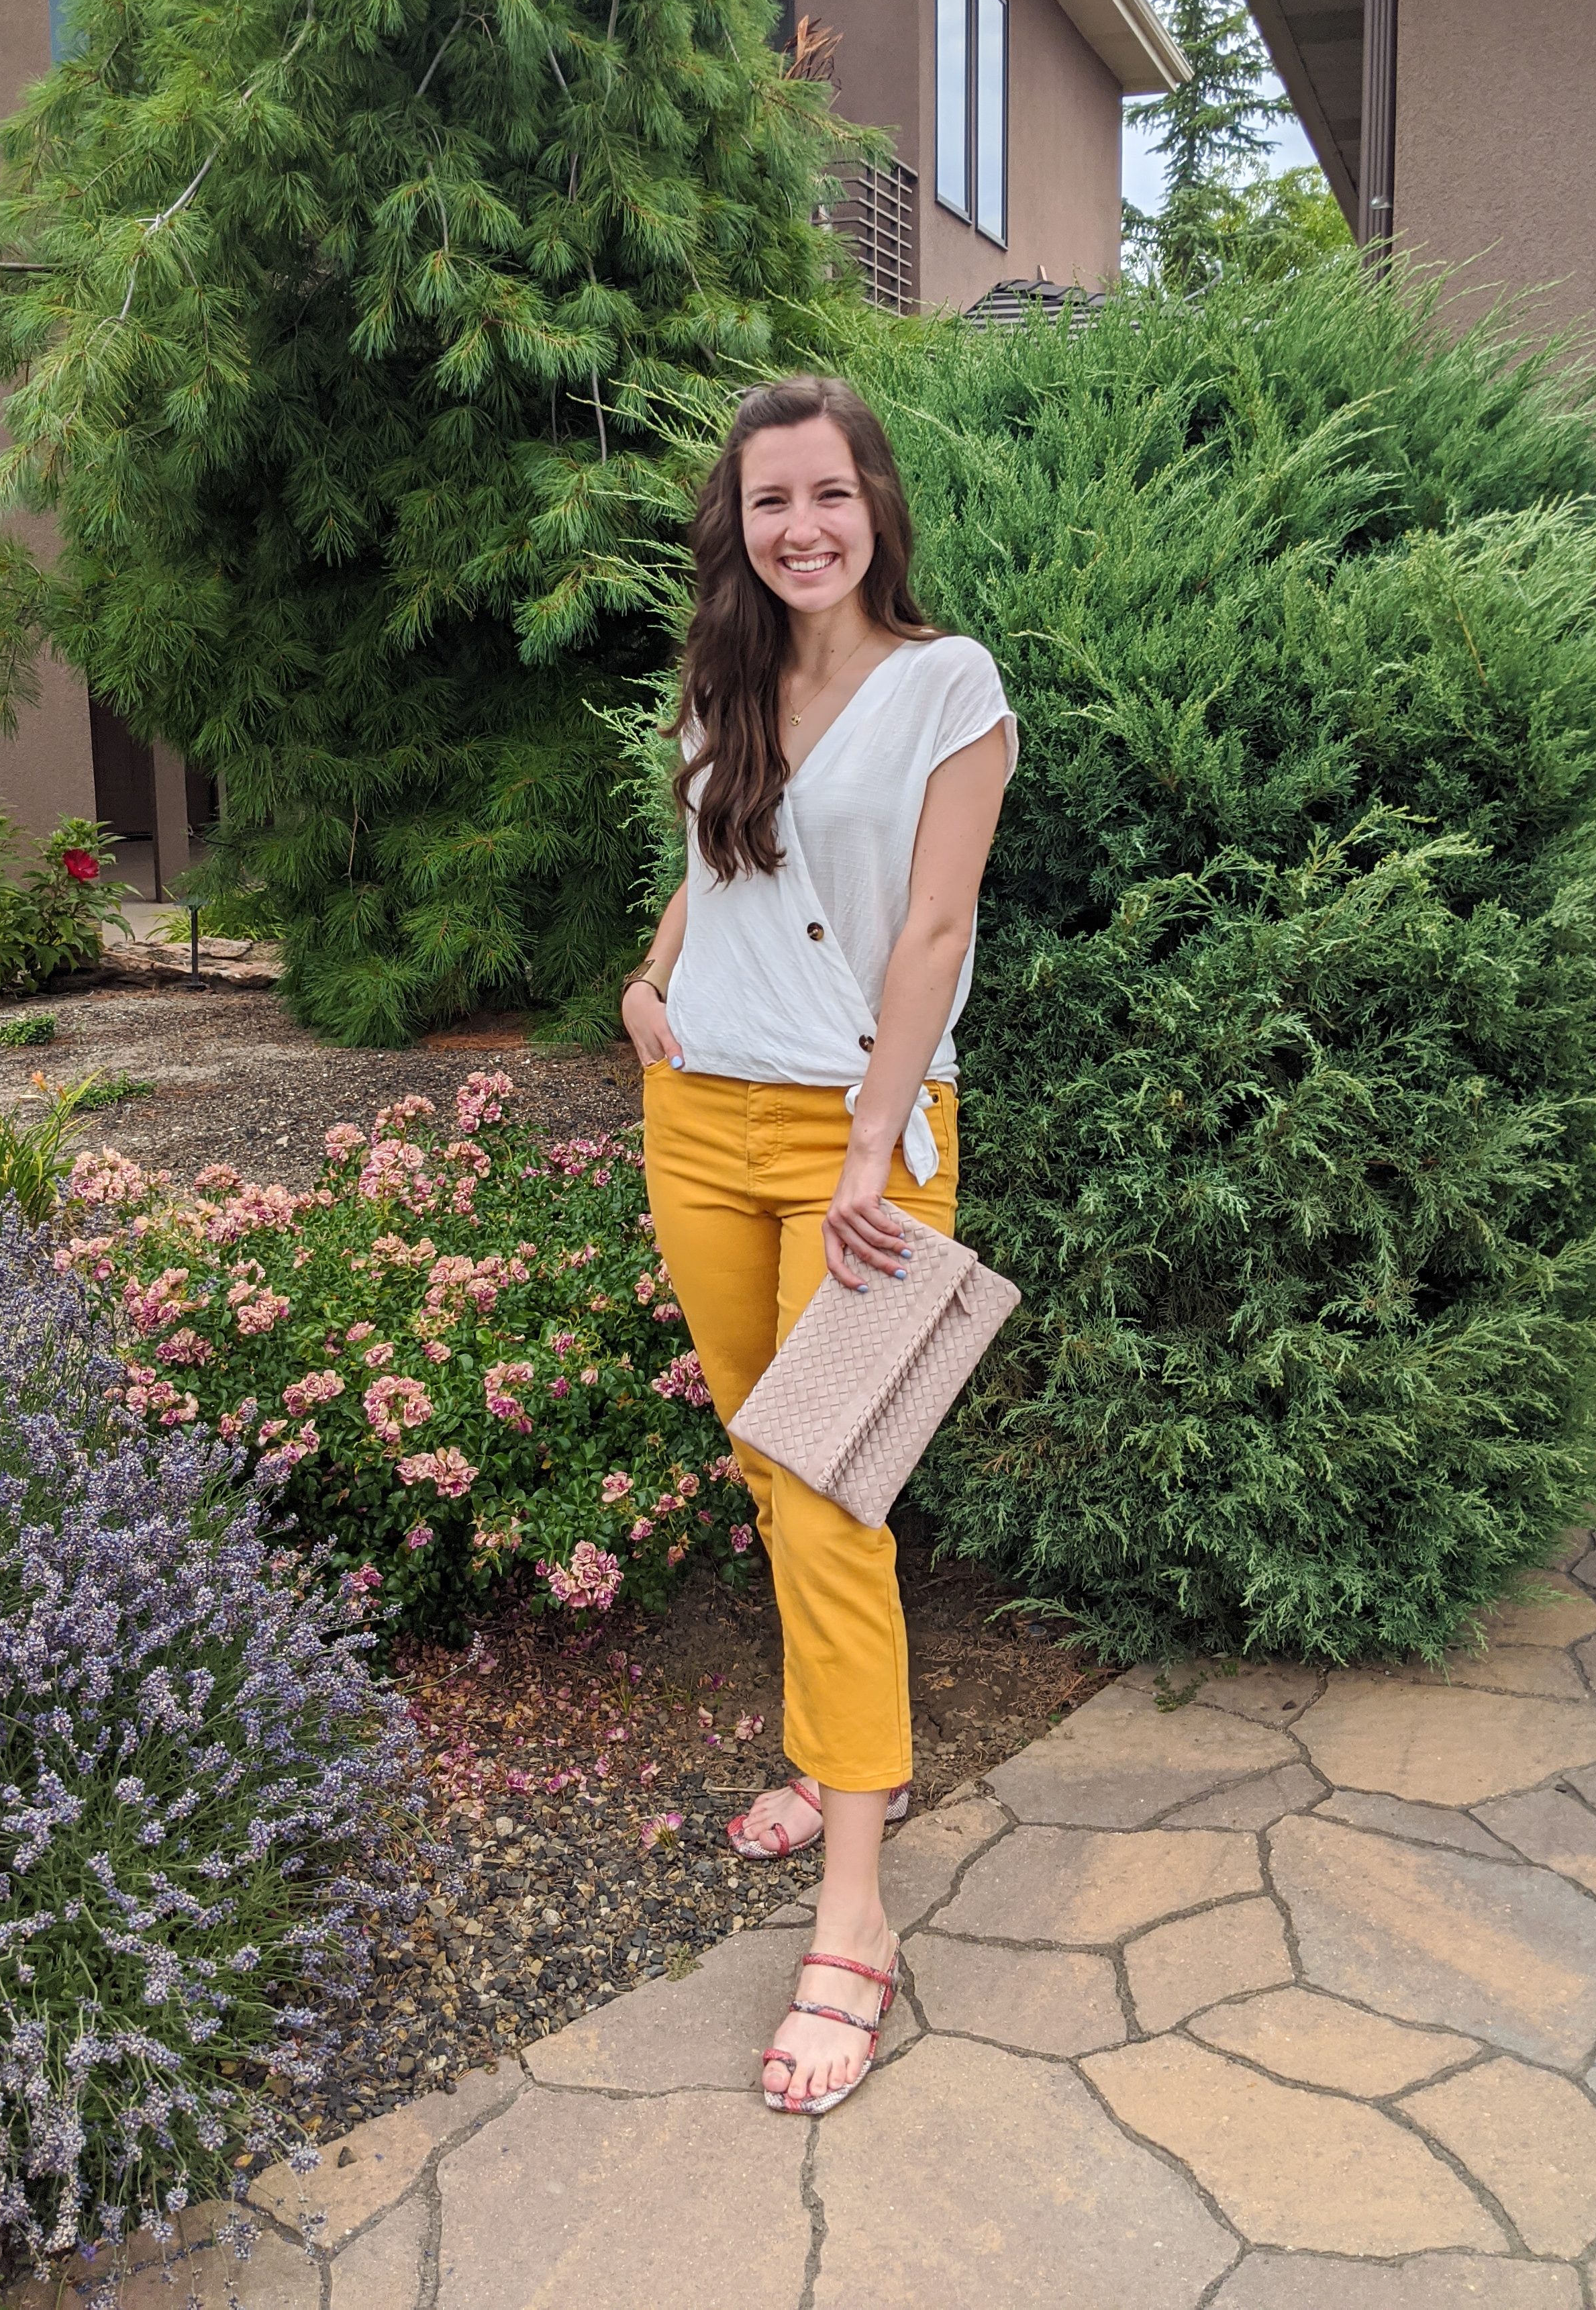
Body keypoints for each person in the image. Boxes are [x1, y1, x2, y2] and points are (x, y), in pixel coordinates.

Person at [621, 375, 1015, 2114]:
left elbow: (935, 927)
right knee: (767, 1469)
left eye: (829, 496)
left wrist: (870, 1137)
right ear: (742, 518)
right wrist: (647, 984)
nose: (801, 527)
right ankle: (838, 1764)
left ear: (876, 506)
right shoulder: (729, 685)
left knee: (832, 1497)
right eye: (771, 499)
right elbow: (715, 869)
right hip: (699, 1125)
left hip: (863, 1150)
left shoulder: (950, 683)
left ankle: (854, 1908)